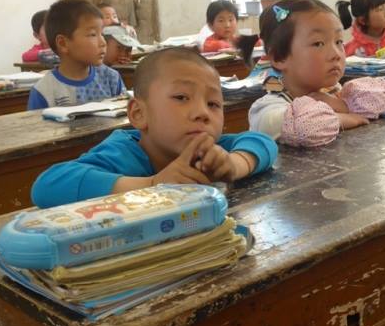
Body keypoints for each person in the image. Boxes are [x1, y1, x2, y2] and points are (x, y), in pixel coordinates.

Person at [238, 0, 385, 326]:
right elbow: (306, 126)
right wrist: (343, 114)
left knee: (380, 288)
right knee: (308, 310)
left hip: (348, 218)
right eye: (317, 44)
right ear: (278, 58)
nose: (335, 54)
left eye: (338, 42)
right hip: (295, 235)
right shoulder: (268, 108)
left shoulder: (339, 93)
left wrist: (345, 103)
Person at [31, 46, 277, 207]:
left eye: (213, 104)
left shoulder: (211, 153)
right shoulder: (123, 153)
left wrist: (233, 165)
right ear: (139, 114)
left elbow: (263, 142)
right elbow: (47, 186)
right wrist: (152, 185)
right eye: (181, 97)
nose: (203, 113)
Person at [27, 0, 125, 109]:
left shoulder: (111, 78)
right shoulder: (44, 91)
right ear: (63, 43)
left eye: (101, 34)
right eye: (93, 34)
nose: (103, 42)